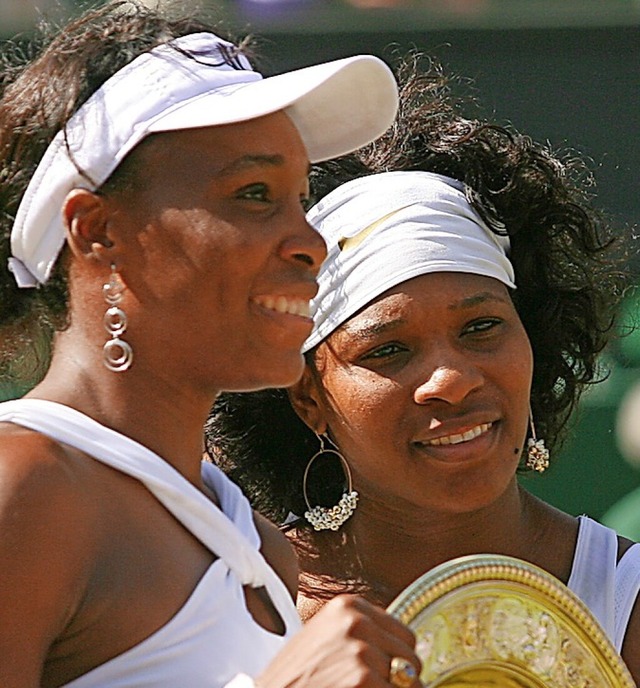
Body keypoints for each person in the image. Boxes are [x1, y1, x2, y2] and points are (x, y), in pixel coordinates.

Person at [0, 3, 427, 687]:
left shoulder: (259, 544)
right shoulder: (23, 488)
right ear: (97, 231)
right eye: (254, 193)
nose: (310, 242)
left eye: (300, 197)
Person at [206, 57, 640, 681]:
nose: (453, 379)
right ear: (307, 398)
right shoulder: (234, 609)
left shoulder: (631, 602)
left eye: (481, 328)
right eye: (387, 351)